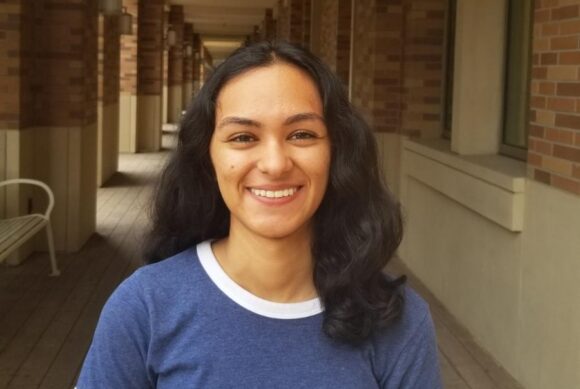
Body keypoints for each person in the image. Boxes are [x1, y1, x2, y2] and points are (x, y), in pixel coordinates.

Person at [77, 41, 442, 388]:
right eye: (243, 137)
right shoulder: (145, 307)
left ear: (337, 152)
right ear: (208, 157)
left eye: (301, 134)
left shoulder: (398, 319)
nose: (274, 164)